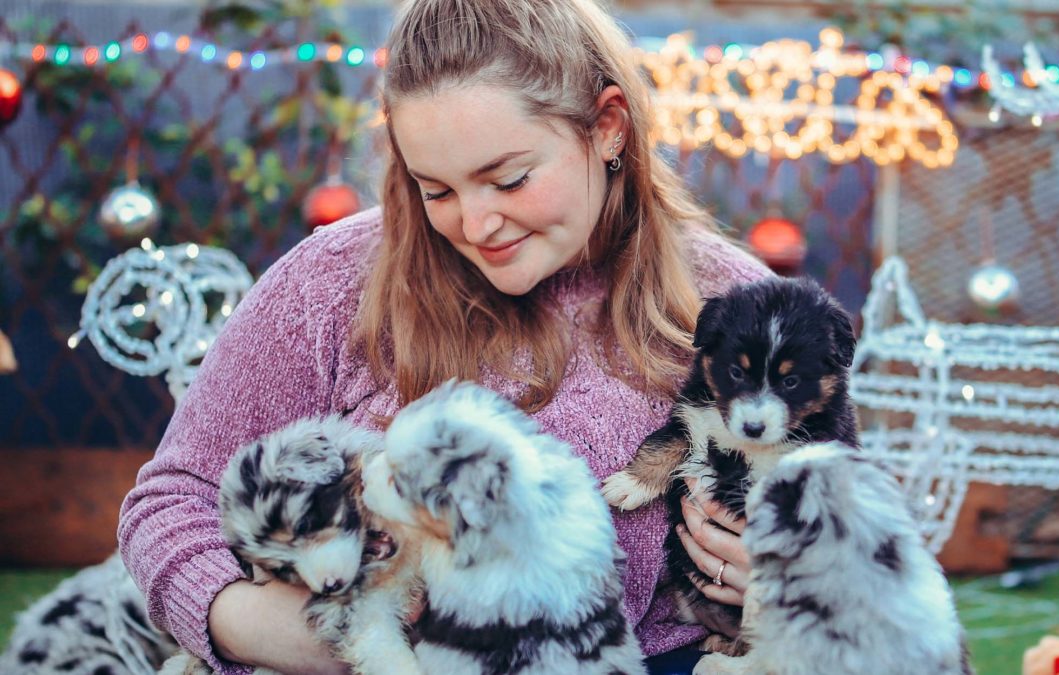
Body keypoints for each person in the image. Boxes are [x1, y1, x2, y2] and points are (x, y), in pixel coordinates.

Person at [118, 0, 771, 673]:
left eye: (509, 179)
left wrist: (787, 578)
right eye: (437, 190)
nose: (478, 223)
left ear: (607, 127)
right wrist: (285, 632)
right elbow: (170, 500)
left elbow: (840, 522)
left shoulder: (734, 309)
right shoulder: (331, 282)